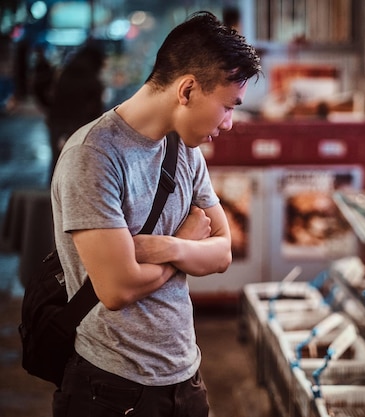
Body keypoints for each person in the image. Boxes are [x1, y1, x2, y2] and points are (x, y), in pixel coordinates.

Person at [49, 11, 261, 417]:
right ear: (187, 90)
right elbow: (117, 289)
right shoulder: (93, 156)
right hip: (109, 388)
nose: (231, 123)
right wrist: (187, 245)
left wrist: (162, 246)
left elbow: (223, 253)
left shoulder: (185, 151)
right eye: (228, 106)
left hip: (186, 375)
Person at [46, 41, 106, 180]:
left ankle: (54, 190)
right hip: (80, 124)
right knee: (78, 160)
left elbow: (48, 90)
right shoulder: (93, 79)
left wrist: (47, 106)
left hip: (57, 121)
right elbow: (96, 109)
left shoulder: (65, 72)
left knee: (58, 158)